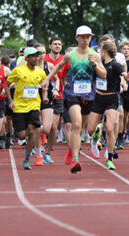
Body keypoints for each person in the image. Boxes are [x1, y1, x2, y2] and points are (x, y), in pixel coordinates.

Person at [42, 25, 106, 174]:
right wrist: (47, 79)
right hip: (73, 94)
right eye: (82, 36)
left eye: (88, 36)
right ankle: (76, 160)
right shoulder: (70, 55)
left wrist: (95, 64)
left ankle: (72, 149)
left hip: (90, 96)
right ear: (77, 38)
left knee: (87, 128)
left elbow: (103, 75)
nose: (85, 39)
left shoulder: (95, 55)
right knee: (76, 125)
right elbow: (58, 67)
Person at [5, 47, 48, 170]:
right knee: (22, 135)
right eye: (34, 56)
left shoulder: (40, 73)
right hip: (19, 107)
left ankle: (27, 158)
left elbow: (44, 87)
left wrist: (45, 97)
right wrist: (11, 101)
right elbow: (7, 86)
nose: (37, 58)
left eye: (37, 55)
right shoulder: (18, 71)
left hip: (34, 106)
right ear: (27, 58)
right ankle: (27, 140)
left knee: (34, 130)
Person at [87, 41, 127, 170]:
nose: (99, 53)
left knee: (110, 128)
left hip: (111, 98)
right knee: (90, 129)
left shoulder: (115, 64)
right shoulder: (98, 64)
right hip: (98, 98)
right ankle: (94, 138)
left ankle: (109, 158)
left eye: (100, 50)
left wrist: (127, 78)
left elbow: (124, 74)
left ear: (104, 51)